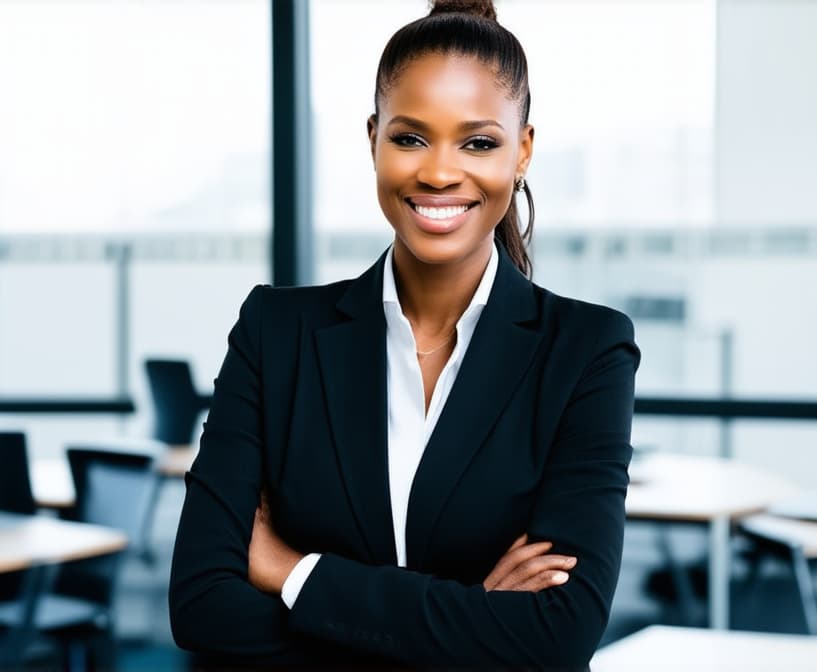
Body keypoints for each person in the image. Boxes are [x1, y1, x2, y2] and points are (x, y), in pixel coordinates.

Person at [169, 0, 640, 668]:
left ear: (523, 150)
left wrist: (293, 571)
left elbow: (556, 636)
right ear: (372, 140)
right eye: (410, 137)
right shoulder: (276, 335)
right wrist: (475, 614)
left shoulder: (587, 351)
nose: (440, 173)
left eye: (478, 142)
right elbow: (201, 605)